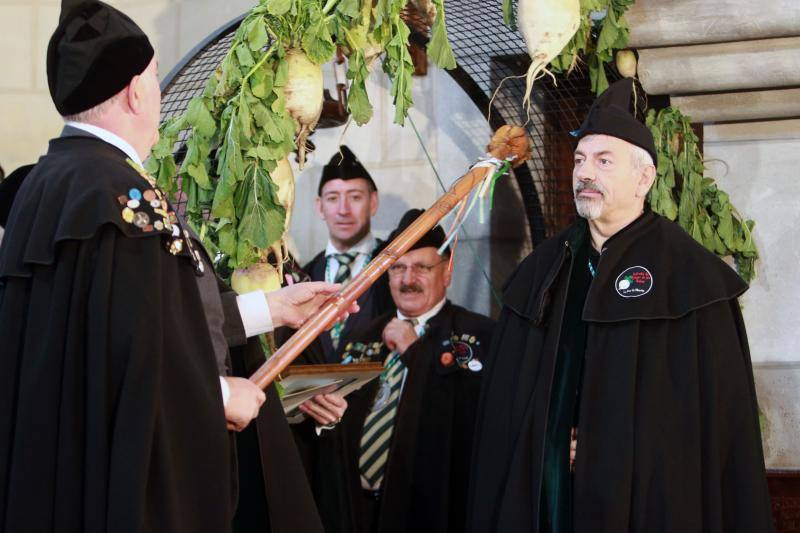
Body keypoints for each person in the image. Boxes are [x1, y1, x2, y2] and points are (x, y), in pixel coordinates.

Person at [0, 2, 345, 531]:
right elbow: (133, 354)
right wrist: (221, 394)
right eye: (158, 78)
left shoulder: (49, 185)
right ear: (137, 91)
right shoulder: (123, 198)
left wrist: (267, 308)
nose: (160, 94)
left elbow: (127, 321)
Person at [467, 78, 774, 533]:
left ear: (644, 178)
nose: (585, 173)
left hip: (655, 505)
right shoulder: (545, 269)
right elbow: (506, 406)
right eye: (580, 160)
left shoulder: (689, 275)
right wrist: (551, 441)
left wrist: (607, 451)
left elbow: (710, 424)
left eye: (604, 161)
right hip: (557, 503)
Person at [310, 208, 495, 533]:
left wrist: (416, 352)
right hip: (358, 512)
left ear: (447, 272)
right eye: (398, 269)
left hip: (435, 512)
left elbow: (477, 420)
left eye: (422, 267)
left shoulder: (480, 336)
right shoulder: (362, 336)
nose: (408, 280)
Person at [282, 146, 395, 473]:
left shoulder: (399, 271)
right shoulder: (299, 277)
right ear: (319, 208)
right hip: (314, 446)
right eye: (333, 198)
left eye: (355, 197)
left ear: (373, 202)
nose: (343, 209)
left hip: (378, 441)